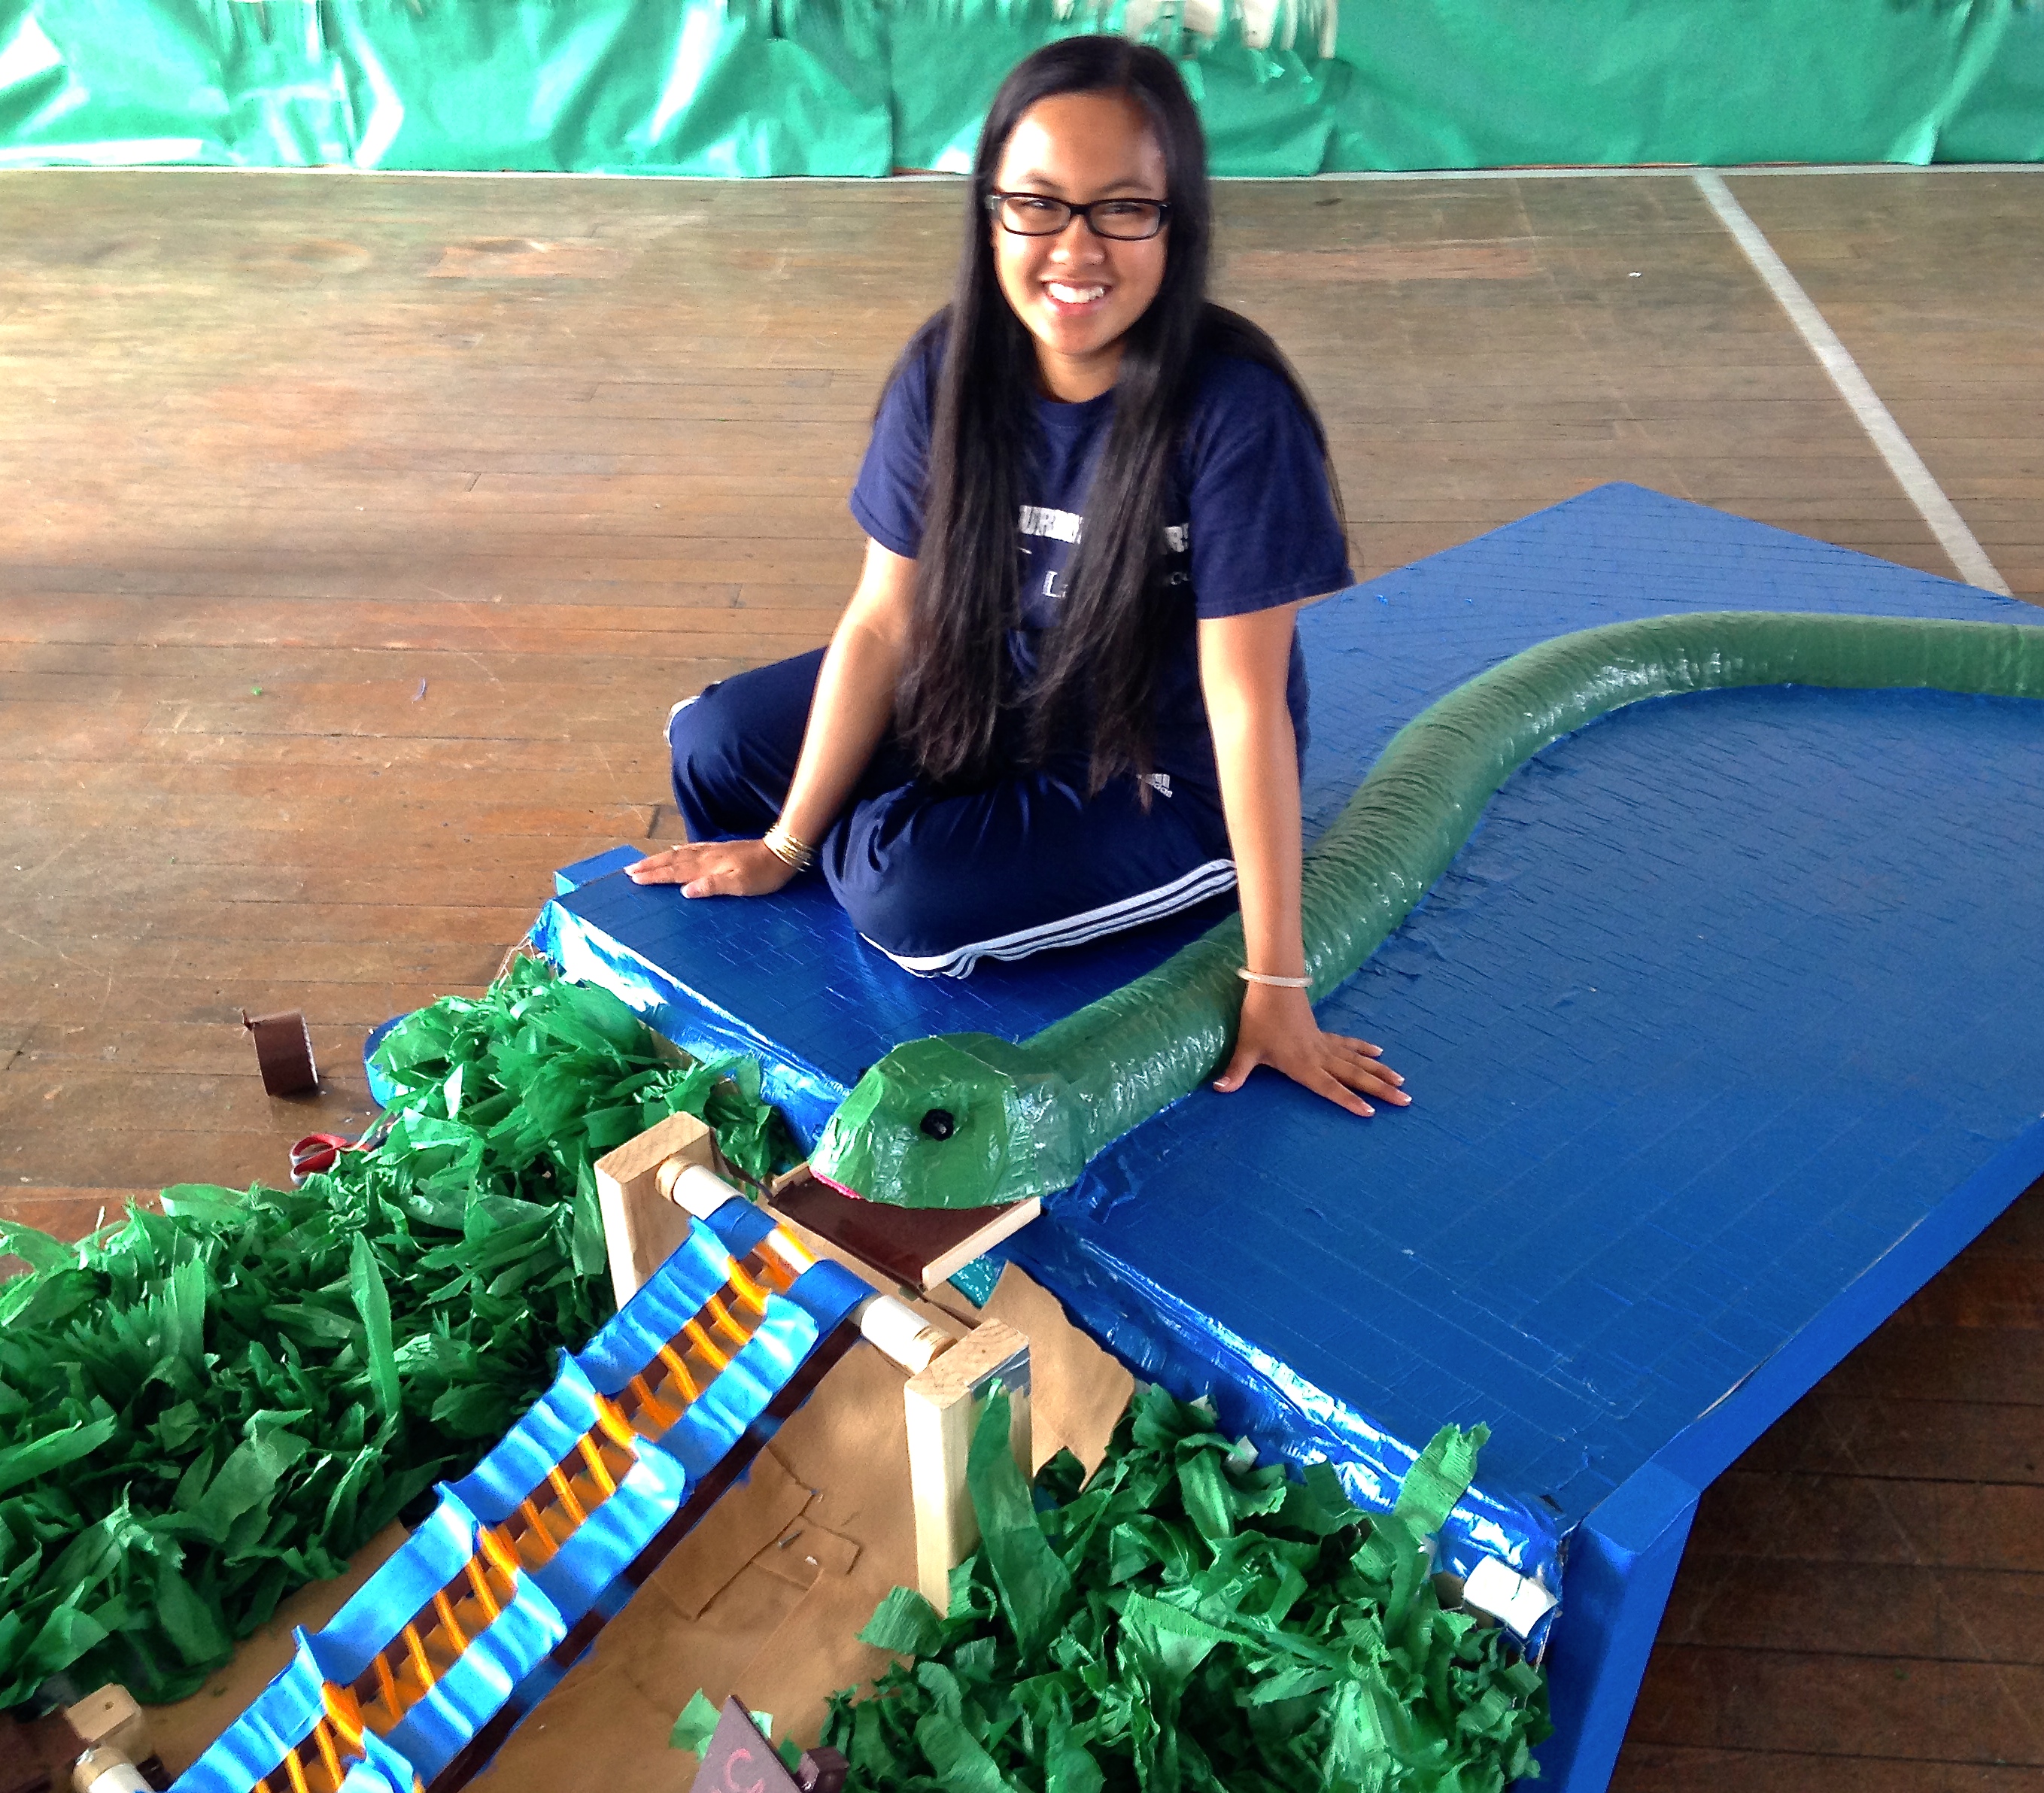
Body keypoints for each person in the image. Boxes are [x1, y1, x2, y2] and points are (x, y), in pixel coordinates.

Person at [627, 36, 1408, 1120]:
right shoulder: (947, 368)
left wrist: (1277, 981)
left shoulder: (1234, 410)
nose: (1075, 250)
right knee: (712, 745)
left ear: (1175, 221)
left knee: (904, 892)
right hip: (987, 690)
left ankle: (896, 868)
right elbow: (883, 625)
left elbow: (1244, 702)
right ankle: (868, 857)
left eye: (1122, 208)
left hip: (1153, 770)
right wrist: (783, 842)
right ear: (989, 209)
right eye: (1037, 204)